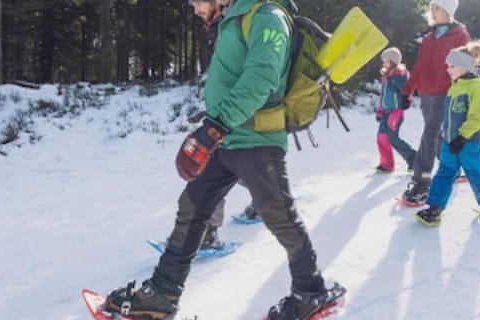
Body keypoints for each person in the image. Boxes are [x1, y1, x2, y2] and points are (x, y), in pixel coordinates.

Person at [103, 1, 341, 319]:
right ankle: (163, 293)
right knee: (192, 207)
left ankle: (310, 293)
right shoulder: (234, 19)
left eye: (196, 1)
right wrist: (215, 128)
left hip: (256, 142)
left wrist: (214, 127)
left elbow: (262, 77)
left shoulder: (267, 15)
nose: (194, 8)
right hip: (228, 139)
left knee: (280, 216)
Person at [189, 0, 260, 235]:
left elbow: (251, 73)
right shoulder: (220, 26)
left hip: (234, 115)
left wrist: (225, 113)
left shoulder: (235, 24)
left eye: (198, 2)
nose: (196, 10)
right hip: (228, 114)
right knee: (236, 167)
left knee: (211, 167)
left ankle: (206, 232)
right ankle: (268, 199)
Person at [415, 40, 480, 225]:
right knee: (444, 172)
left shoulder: (476, 86)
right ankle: (434, 208)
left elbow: (476, 117)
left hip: (468, 143)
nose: (448, 69)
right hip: (449, 141)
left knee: (475, 171)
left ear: (464, 66)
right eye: (447, 65)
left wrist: (462, 138)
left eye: (452, 65)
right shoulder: (455, 84)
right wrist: (447, 137)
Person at [400, 0, 471, 205]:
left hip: (445, 92)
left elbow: (466, 65)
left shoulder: (460, 35)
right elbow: (420, 66)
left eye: (438, 7)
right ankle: (452, 167)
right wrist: (407, 91)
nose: (433, 11)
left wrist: (465, 94)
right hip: (426, 93)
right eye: (432, 7)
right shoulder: (429, 37)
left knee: (430, 134)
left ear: (449, 11)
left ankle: (422, 179)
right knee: (437, 134)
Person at [374, 47, 416, 174]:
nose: (384, 63)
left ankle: (415, 160)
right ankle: (387, 165)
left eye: (386, 61)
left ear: (393, 62)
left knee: (393, 138)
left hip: (396, 113)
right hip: (386, 112)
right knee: (381, 137)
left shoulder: (400, 76)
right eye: (383, 61)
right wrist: (380, 110)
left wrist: (406, 101)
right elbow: (384, 95)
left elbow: (407, 90)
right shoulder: (386, 76)